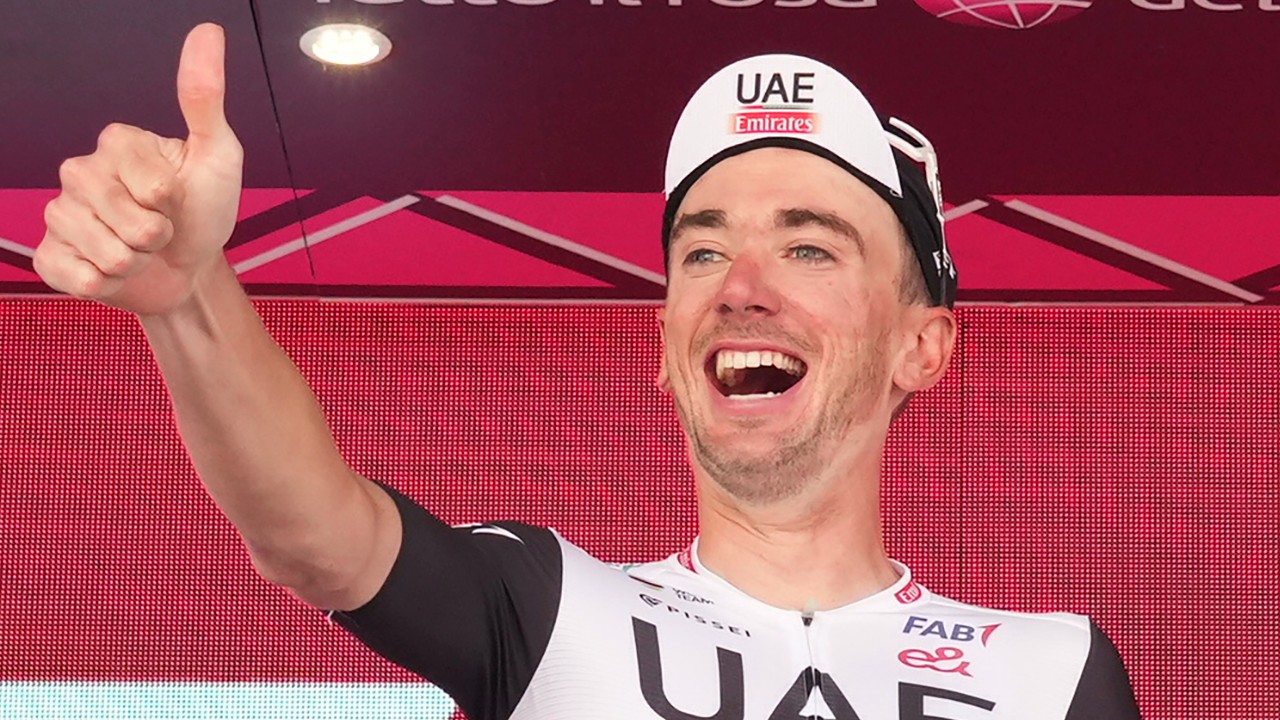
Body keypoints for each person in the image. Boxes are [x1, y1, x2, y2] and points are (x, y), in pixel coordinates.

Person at [35, 22, 1141, 720]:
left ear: (921, 344)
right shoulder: (549, 607)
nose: (741, 282)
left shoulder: (1051, 676)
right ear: (664, 347)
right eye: (702, 248)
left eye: (809, 245)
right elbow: (315, 535)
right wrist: (188, 296)